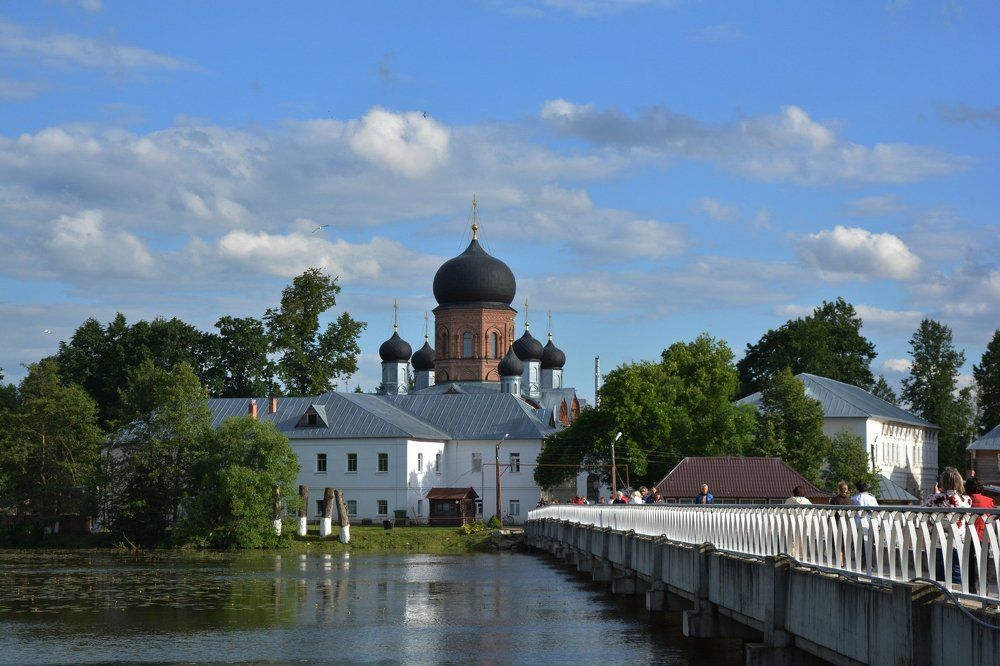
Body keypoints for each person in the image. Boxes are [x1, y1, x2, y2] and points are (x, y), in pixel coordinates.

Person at [924, 467, 972, 585]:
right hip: (958, 542)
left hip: (938, 542)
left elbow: (923, 513)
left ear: (942, 482)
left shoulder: (934, 498)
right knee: (956, 572)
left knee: (939, 577)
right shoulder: (967, 500)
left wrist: (936, 494)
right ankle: (956, 594)